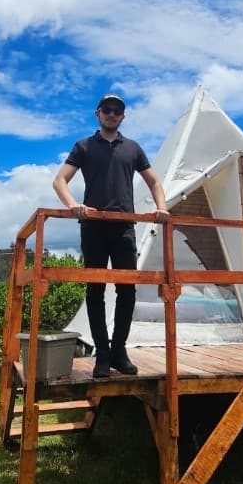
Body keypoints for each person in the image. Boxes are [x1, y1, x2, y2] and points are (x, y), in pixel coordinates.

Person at [53, 93, 169, 378]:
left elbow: (154, 181)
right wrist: (73, 206)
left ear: (123, 116)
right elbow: (59, 181)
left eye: (117, 111)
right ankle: (102, 356)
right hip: (92, 227)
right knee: (94, 291)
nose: (112, 114)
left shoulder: (133, 148)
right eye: (107, 109)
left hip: (124, 228)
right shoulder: (83, 146)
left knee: (126, 290)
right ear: (98, 113)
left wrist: (161, 207)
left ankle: (119, 351)